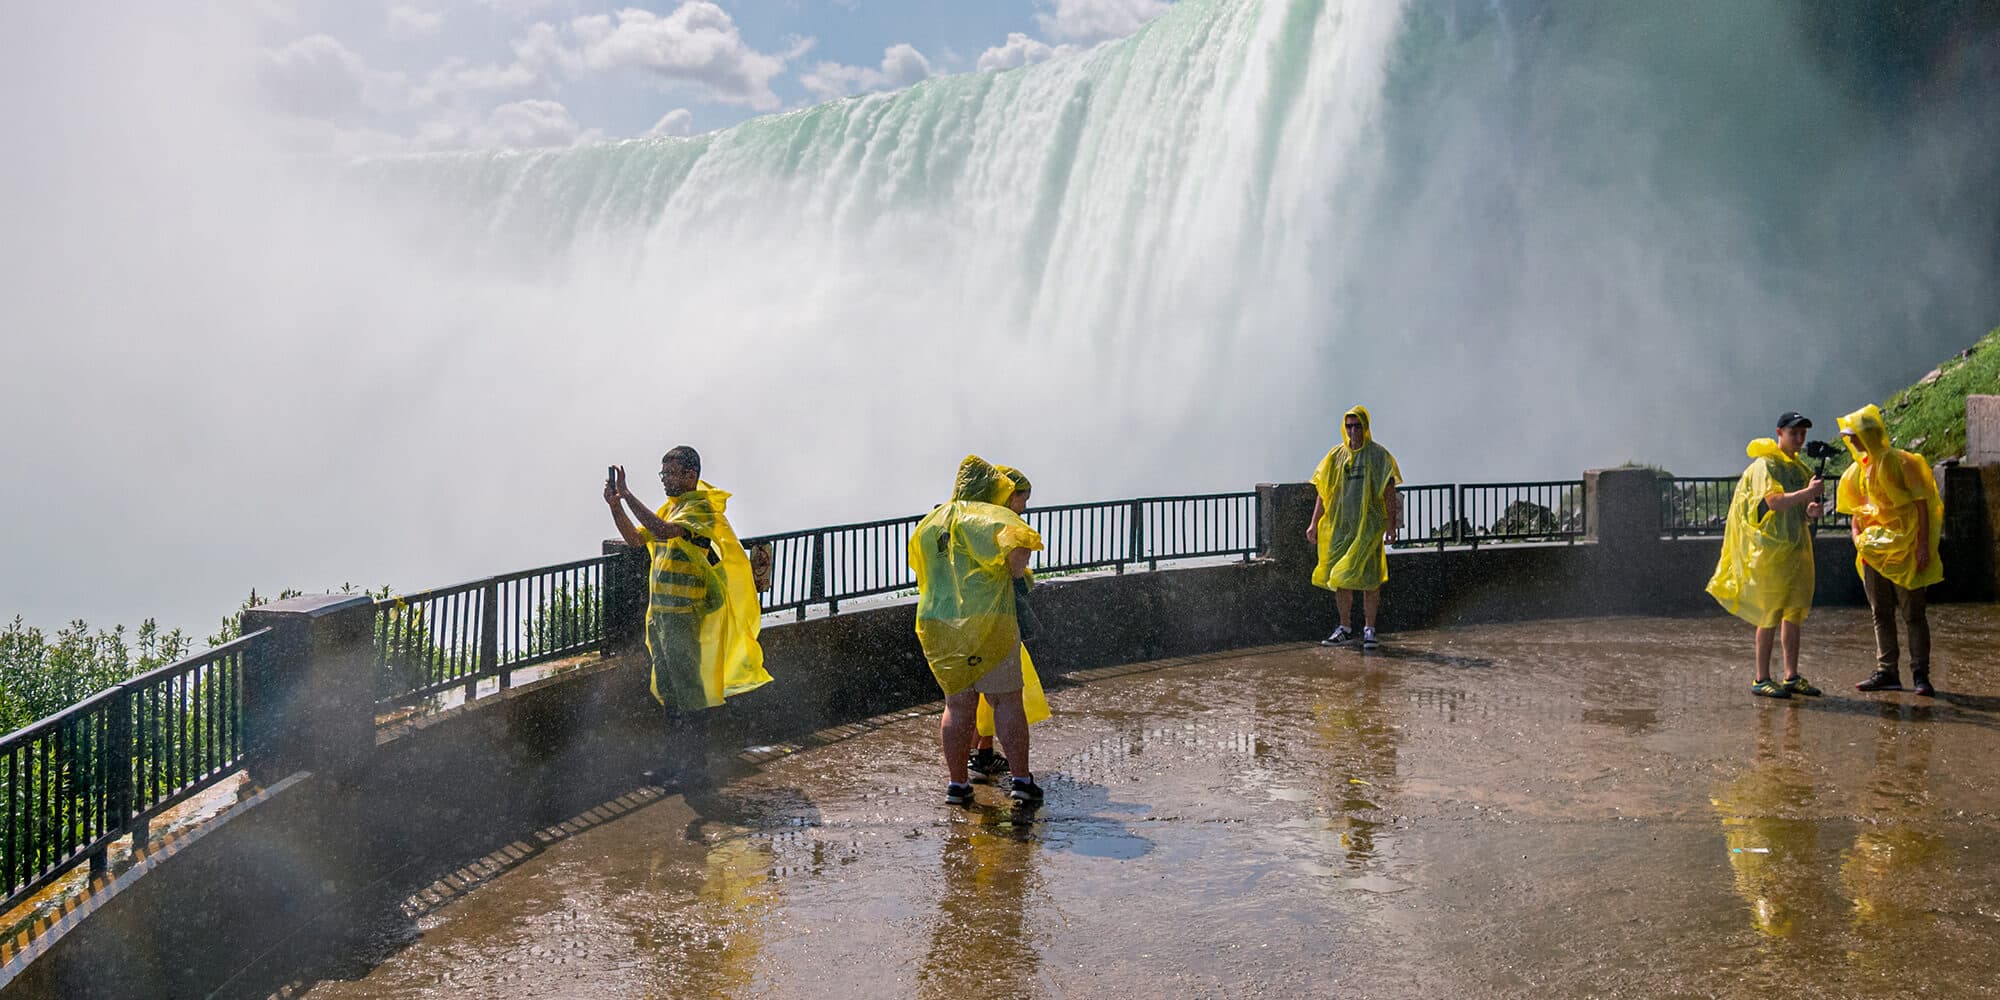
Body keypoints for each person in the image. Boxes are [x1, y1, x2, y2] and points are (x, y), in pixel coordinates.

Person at [605, 446, 772, 782]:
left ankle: (695, 766)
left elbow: (665, 530)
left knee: (689, 695)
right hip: (661, 617)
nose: (665, 479)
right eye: (663, 474)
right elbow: (636, 540)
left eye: (670, 473)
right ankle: (673, 764)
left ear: (690, 475)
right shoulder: (672, 509)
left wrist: (629, 495)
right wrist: (615, 506)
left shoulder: (699, 512)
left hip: (684, 616)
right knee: (669, 694)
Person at [911, 455, 1044, 807]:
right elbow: (1019, 552)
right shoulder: (990, 517)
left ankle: (957, 785)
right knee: (1005, 700)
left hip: (939, 623)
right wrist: (1014, 567)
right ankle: (1020, 781)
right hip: (988, 621)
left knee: (957, 705)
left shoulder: (930, 523)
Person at [1705, 412, 1827, 699]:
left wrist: (1811, 511)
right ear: (1779, 433)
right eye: (1793, 433)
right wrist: (1806, 492)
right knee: (1769, 613)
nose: (1799, 439)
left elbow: (1799, 510)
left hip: (1796, 550)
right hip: (1771, 552)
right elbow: (1773, 502)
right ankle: (1761, 677)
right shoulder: (1766, 466)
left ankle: (1791, 675)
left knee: (1794, 614)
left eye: (1802, 434)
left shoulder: (1797, 468)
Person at [1836, 405, 1944, 696]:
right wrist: (1857, 537)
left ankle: (1920, 673)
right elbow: (1859, 508)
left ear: (1868, 433)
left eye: (1855, 435)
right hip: (1874, 550)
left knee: (1913, 613)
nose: (1851, 441)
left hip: (1906, 547)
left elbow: (1922, 503)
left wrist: (1922, 545)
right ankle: (1887, 672)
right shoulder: (1859, 469)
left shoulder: (1902, 462)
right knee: (1880, 611)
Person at [968, 465, 1052, 782]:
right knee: (998, 694)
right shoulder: (1003, 527)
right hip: (995, 618)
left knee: (975, 693)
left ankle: (981, 753)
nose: (1025, 507)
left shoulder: (971, 522)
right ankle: (986, 756)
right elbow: (1013, 573)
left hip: (965, 619)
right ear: (1009, 495)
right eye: (1023, 499)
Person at [1308, 406, 1402, 649]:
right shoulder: (1335, 456)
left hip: (1369, 528)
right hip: (1341, 528)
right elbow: (1323, 492)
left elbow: (1388, 491)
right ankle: (1345, 627)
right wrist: (1314, 523)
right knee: (1341, 578)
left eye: (1357, 425)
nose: (1352, 431)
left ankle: (1369, 629)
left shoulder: (1378, 456)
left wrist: (1391, 525)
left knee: (1370, 579)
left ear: (1365, 427)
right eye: (1348, 426)